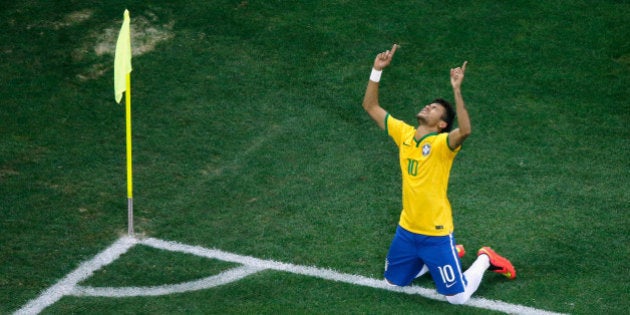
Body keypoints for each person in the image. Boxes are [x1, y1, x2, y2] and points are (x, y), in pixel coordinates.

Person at [362, 44, 516, 305]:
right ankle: (443, 260)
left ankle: (485, 258)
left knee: (456, 297)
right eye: (429, 105)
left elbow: (465, 130)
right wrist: (376, 71)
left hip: (436, 234)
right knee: (393, 282)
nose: (427, 107)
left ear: (442, 124)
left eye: (434, 108)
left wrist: (456, 89)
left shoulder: (442, 145)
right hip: (406, 230)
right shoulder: (404, 133)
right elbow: (370, 106)